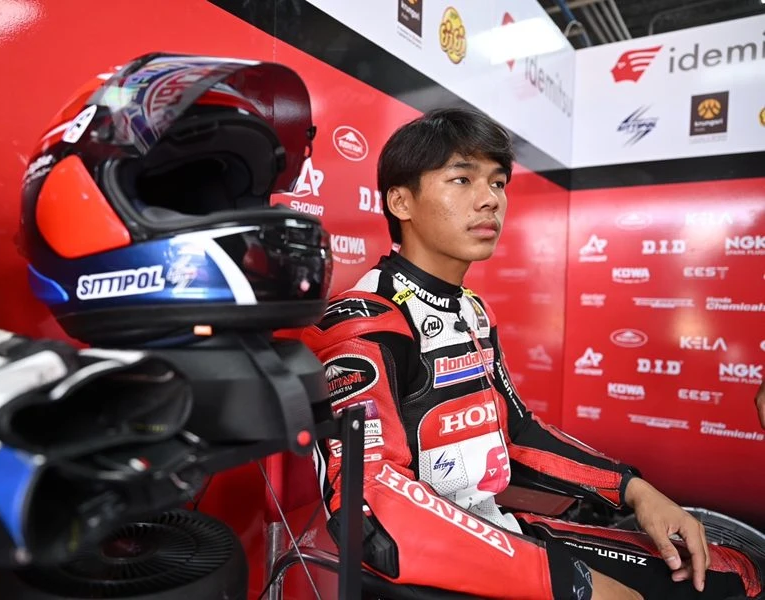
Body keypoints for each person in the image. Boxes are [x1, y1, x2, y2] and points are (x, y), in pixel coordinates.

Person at [300, 108, 763, 600]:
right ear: (401, 201)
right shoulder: (365, 323)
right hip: (438, 568)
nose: (489, 200)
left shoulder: (472, 310)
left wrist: (633, 490)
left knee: (733, 575)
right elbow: (371, 504)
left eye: (498, 183)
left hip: (500, 530)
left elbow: (515, 433)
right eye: (462, 179)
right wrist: (574, 584)